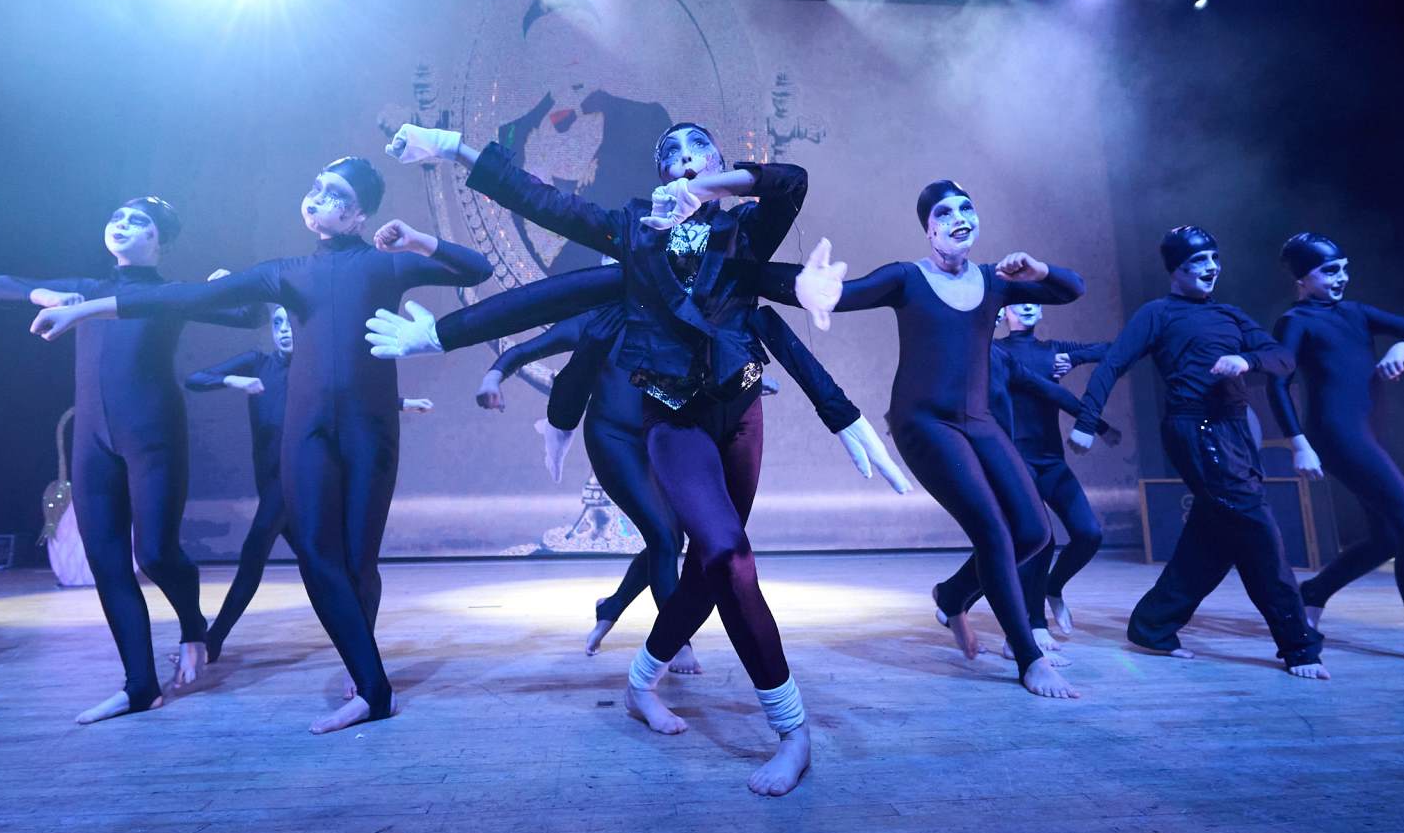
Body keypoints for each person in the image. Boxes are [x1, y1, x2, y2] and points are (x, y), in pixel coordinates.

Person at [376, 120, 899, 795]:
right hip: (673, 422)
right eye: (671, 155)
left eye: (698, 150)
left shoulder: (744, 230)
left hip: (741, 415)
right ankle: (792, 731)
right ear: (659, 175)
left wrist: (843, 415)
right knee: (729, 556)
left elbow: (792, 183)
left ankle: (640, 680)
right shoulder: (632, 228)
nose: (685, 160)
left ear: (718, 163)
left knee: (708, 570)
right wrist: (454, 149)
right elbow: (539, 202)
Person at [29, 157, 491, 733]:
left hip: (368, 428)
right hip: (306, 431)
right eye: (316, 186)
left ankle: (366, 676)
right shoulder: (285, 273)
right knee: (317, 558)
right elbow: (185, 298)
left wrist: (419, 239)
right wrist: (86, 309)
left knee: (357, 560)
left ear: (358, 214)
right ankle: (374, 687)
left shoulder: (384, 265)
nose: (317, 196)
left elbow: (476, 268)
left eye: (335, 193)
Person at [757, 183, 1085, 699]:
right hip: (923, 424)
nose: (959, 217)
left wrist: (1039, 270)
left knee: (1033, 532)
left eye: (966, 208)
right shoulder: (907, 278)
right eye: (944, 213)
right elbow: (844, 294)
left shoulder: (994, 281)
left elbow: (1071, 289)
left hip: (977, 420)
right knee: (994, 533)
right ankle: (1029, 658)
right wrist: (807, 284)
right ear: (929, 231)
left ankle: (952, 598)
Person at [481, 298, 910, 659]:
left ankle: (611, 607)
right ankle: (676, 643)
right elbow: (526, 350)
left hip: (661, 433)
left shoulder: (673, 311)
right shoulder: (602, 318)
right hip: (614, 439)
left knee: (670, 537)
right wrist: (493, 377)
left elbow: (709, 365)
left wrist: (747, 384)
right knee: (664, 538)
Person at [0, 197, 263, 724]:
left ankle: (193, 627)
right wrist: (41, 293)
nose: (123, 225)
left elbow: (250, 315)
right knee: (107, 561)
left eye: (139, 221)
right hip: (93, 439)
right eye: (116, 218)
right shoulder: (85, 289)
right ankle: (139, 686)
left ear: (162, 242)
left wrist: (228, 284)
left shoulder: (169, 295)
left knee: (155, 554)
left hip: (152, 434)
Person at [1067, 226, 1328, 678]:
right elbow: (1114, 363)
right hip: (1196, 429)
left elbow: (1282, 358)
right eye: (1198, 261)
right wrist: (1087, 422)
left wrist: (1248, 360)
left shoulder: (1229, 314)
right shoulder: (1158, 314)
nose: (1211, 268)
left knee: (1214, 535)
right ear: (1176, 270)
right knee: (1255, 527)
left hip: (1235, 431)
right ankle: (1298, 644)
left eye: (1214, 259)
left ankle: (1153, 625)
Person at [1269, 233, 1404, 670]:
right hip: (1337, 435)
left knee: (1388, 536)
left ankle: (1313, 593)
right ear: (1302, 279)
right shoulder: (1295, 321)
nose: (1341, 277)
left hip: (1366, 432)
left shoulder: (1355, 312)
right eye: (1329, 271)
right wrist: (1299, 444)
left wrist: (1402, 345)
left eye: (1344, 268)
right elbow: (1277, 383)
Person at [187, 307, 435, 661]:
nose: (284, 330)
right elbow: (194, 379)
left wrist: (401, 403)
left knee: (256, 554)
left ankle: (213, 642)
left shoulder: (315, 369)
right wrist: (231, 380)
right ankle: (361, 648)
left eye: (290, 322)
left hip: (298, 481)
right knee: (329, 568)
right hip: (270, 483)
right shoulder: (258, 363)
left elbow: (355, 395)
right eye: (277, 323)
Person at [994, 304, 1113, 636]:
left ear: (1042, 310)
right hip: (1015, 459)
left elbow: (1113, 351)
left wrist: (1074, 358)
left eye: (1034, 300)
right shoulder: (995, 351)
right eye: (1020, 300)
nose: (1028, 305)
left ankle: (1053, 586)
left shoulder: (1054, 350)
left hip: (1051, 461)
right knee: (1040, 540)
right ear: (1004, 311)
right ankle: (1034, 625)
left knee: (1089, 533)